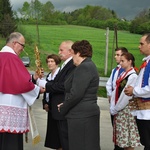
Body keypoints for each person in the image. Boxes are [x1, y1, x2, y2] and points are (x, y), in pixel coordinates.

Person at [0, 32, 45, 150]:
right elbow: (21, 84)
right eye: (22, 45)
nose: (23, 49)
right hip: (10, 108)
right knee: (11, 144)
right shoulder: (12, 58)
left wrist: (33, 78)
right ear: (15, 43)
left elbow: (13, 79)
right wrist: (37, 90)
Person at [57, 40, 100, 150]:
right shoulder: (86, 65)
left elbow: (76, 94)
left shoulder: (84, 67)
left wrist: (64, 107)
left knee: (82, 146)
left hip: (82, 116)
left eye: (73, 54)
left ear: (79, 53)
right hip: (84, 115)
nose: (72, 57)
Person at [37, 40, 76, 150]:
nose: (59, 52)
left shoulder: (72, 65)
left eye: (61, 50)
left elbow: (63, 86)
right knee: (58, 140)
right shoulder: (66, 64)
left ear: (70, 51)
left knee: (64, 140)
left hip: (62, 107)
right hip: (56, 108)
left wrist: (45, 84)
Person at [110, 52, 141, 150]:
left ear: (130, 61)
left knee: (127, 139)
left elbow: (125, 95)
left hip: (126, 109)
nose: (120, 63)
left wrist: (116, 108)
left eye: (123, 61)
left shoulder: (132, 76)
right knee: (123, 138)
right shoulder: (124, 73)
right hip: (121, 108)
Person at [124, 33, 150, 150]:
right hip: (143, 110)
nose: (139, 46)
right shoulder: (146, 63)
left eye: (142, 44)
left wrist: (134, 90)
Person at [106, 47, 128, 150]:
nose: (116, 57)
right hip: (113, 101)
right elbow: (109, 83)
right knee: (114, 127)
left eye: (118, 55)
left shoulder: (126, 71)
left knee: (121, 129)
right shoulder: (115, 70)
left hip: (121, 103)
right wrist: (110, 94)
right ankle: (116, 146)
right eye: (115, 55)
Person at [42, 54, 62, 150]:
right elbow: (46, 91)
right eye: (48, 61)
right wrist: (45, 103)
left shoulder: (60, 74)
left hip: (57, 107)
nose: (49, 64)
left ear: (57, 63)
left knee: (59, 133)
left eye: (52, 61)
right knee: (53, 134)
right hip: (50, 108)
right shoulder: (49, 76)